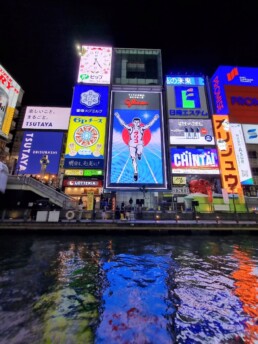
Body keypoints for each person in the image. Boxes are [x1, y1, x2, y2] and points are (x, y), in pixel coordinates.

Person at [114, 112, 159, 181]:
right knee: (133, 158)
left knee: (139, 152)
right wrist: (118, 117)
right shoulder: (130, 128)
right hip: (132, 145)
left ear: (139, 123)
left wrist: (154, 119)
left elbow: (149, 125)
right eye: (135, 122)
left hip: (139, 144)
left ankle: (139, 154)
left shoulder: (142, 128)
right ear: (133, 122)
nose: (136, 123)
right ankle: (135, 172)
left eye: (138, 122)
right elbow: (123, 124)